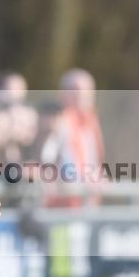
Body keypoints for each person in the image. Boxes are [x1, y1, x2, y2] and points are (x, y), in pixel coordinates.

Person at [39, 68, 104, 207]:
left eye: (88, 90)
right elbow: (47, 159)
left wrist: (98, 176)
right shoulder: (56, 122)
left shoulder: (91, 123)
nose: (83, 95)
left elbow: (94, 160)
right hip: (61, 205)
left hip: (86, 203)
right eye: (76, 89)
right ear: (63, 93)